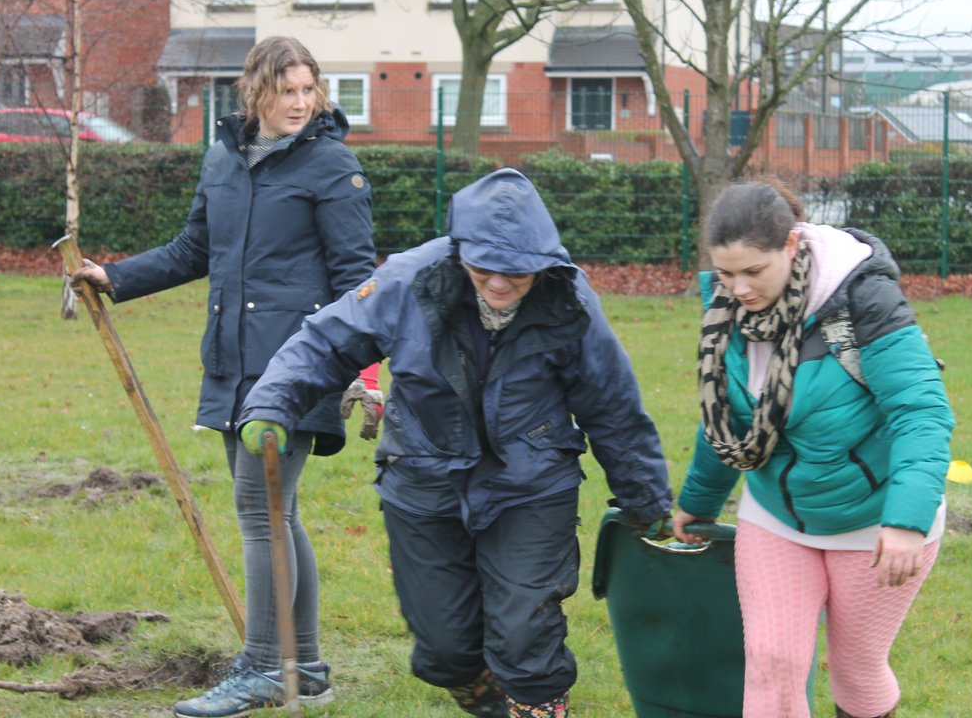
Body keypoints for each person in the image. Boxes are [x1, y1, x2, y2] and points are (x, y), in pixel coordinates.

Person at [235, 167, 673, 718]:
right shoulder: (408, 281)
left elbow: (612, 404)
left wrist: (646, 501)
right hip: (423, 477)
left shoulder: (569, 300)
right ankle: (491, 705)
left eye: (516, 272)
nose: (499, 284)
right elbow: (325, 343)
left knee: (525, 635)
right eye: (484, 268)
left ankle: (535, 704)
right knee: (445, 651)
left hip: (531, 483)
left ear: (542, 262)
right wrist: (272, 404)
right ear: (459, 251)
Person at [70, 35, 381, 718]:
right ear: (256, 91)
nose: (300, 103)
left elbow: (358, 278)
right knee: (278, 512)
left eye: (309, 90)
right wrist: (114, 276)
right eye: (287, 90)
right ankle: (306, 668)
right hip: (232, 362)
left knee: (260, 511)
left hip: (298, 365)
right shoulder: (224, 157)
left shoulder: (331, 165)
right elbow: (194, 249)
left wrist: (363, 371)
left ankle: (265, 666)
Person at [672, 180, 954, 718]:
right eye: (725, 273)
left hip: (873, 517)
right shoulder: (725, 314)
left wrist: (906, 522)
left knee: (856, 669)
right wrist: (699, 501)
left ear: (791, 244)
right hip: (776, 516)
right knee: (771, 661)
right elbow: (727, 417)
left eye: (753, 271)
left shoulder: (863, 298)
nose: (738, 288)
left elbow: (921, 412)